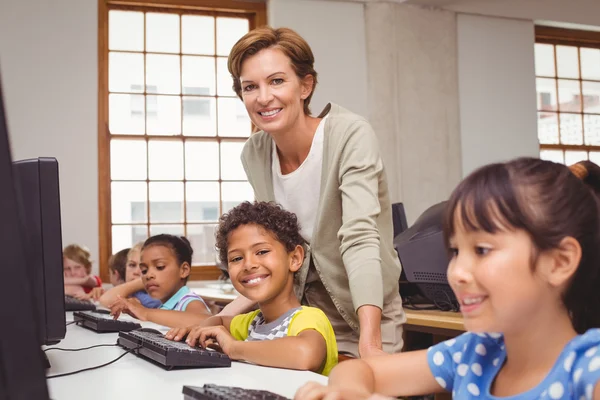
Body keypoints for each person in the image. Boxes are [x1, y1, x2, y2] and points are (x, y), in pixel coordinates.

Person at [294, 157, 600, 399]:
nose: (456, 272)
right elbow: (364, 369)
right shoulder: (474, 352)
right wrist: (351, 391)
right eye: (455, 251)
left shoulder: (589, 369)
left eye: (481, 249)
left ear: (559, 262)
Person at [220, 26, 405, 358]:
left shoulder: (349, 135)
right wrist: (220, 318)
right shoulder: (255, 153)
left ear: (305, 86)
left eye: (276, 81)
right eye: (250, 87)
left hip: (364, 312)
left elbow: (360, 238)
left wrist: (370, 343)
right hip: (302, 320)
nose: (263, 97)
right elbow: (275, 248)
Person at [166, 201, 338, 375]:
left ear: (294, 259)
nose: (248, 265)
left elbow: (306, 354)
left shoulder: (308, 318)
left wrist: (234, 348)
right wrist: (201, 329)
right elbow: (219, 321)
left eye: (262, 252)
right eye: (236, 258)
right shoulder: (252, 323)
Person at [109, 235, 211, 327]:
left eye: (159, 267)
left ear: (183, 270)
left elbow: (207, 321)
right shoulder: (163, 306)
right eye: (144, 270)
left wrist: (145, 312)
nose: (149, 275)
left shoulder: (188, 300)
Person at [99, 243, 161, 309]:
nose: (136, 272)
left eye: (143, 267)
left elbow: (105, 301)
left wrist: (141, 281)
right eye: (132, 265)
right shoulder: (132, 292)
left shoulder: (154, 297)